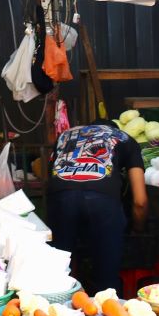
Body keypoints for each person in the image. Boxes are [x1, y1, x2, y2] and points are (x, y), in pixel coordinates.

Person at [46, 122, 147, 294]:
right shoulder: (126, 139)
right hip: (103, 200)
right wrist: (138, 228)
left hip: (61, 197)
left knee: (60, 269)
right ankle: (107, 311)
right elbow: (140, 201)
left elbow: (50, 173)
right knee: (107, 278)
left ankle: (60, 310)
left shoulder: (66, 135)